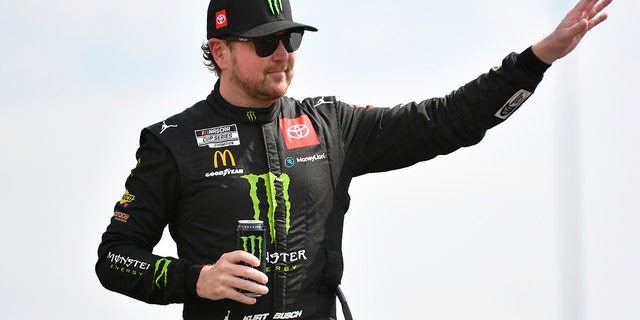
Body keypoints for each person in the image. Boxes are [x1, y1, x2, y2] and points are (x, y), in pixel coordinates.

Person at [95, 0, 611, 319]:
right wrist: (196, 279)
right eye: (264, 42)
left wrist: (537, 59)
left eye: (291, 38)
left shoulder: (331, 126)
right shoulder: (173, 141)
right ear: (221, 51)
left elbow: (447, 120)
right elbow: (115, 259)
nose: (283, 53)